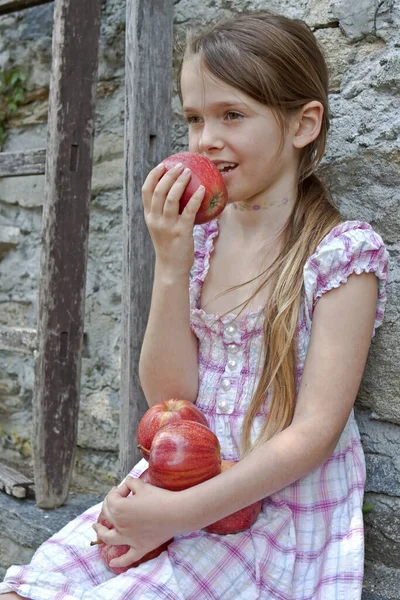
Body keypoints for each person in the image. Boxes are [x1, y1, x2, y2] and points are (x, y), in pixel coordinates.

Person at [0, 9, 389, 600]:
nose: (206, 138)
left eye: (232, 115)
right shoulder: (201, 243)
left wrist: (180, 516)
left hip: (269, 507)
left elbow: (314, 432)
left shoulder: (339, 255)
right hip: (179, 476)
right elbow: (168, 397)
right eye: (193, 118)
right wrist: (172, 264)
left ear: (304, 123)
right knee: (41, 582)